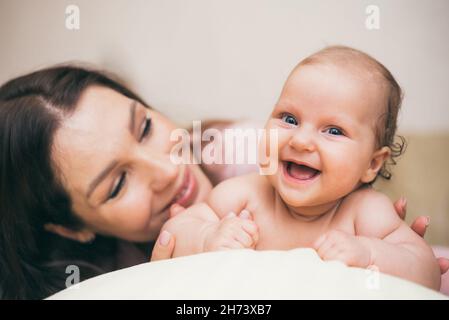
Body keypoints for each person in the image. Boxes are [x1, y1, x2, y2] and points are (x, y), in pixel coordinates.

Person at [0, 65, 446, 299]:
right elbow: (189, 231)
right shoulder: (97, 282)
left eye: (144, 128)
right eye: (117, 185)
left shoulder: (254, 155)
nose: (168, 169)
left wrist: (383, 252)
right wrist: (208, 237)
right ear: (69, 228)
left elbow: (416, 267)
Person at [161, 46, 442, 289]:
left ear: (372, 164)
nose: (301, 140)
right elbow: (174, 232)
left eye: (333, 130)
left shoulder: (365, 213)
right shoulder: (246, 194)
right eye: (289, 119)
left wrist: (369, 254)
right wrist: (206, 237)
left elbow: (427, 271)